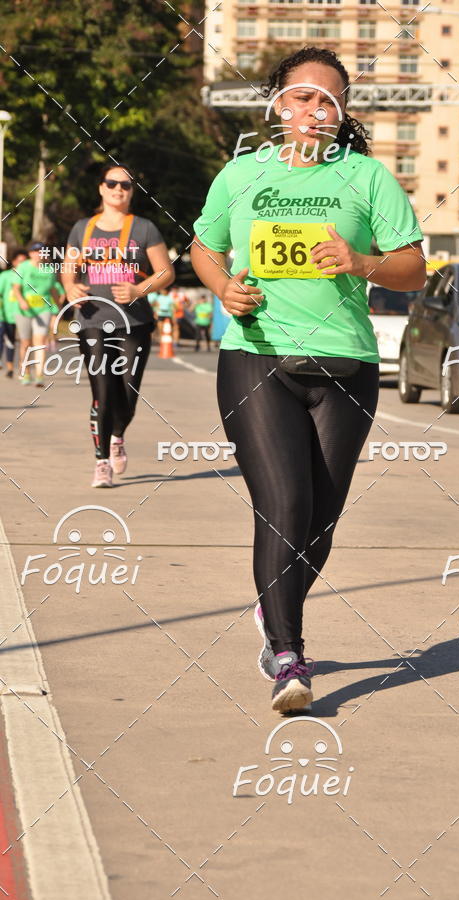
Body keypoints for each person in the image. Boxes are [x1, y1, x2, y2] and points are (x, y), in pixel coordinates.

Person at [191, 47, 425, 714]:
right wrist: (223, 287)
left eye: (328, 100)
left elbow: (414, 268)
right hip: (256, 358)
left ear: (342, 114)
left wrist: (360, 260)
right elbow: (204, 247)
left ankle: (274, 610)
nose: (314, 110)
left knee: (320, 522)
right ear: (276, 106)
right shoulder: (240, 175)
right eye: (300, 97)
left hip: (347, 363)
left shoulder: (367, 179)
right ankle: (289, 655)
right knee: (286, 503)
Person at [62, 163, 174, 488]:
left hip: (134, 322)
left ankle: (118, 435)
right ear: (101, 188)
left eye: (125, 185)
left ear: (131, 191)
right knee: (102, 390)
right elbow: (69, 270)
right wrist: (70, 288)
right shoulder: (83, 229)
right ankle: (101, 462)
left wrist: (139, 290)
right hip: (92, 320)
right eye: (112, 183)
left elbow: (164, 272)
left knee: (127, 390)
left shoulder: (145, 228)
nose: (118, 189)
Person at [13, 241, 62, 387]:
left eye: (41, 251)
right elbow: (16, 288)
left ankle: (39, 375)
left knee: (39, 342)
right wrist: (21, 300)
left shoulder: (49, 269)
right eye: (35, 251)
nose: (38, 254)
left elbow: (53, 290)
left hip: (43, 309)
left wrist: (59, 308)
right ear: (30, 253)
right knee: (26, 343)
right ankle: (26, 371)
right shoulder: (23, 267)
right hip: (25, 309)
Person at [0, 248, 27, 379]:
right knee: (1, 339)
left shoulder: (28, 277)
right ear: (14, 262)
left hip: (20, 315)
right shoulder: (5, 276)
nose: (22, 264)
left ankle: (11, 367)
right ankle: (6, 366)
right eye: (19, 261)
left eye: (24, 261)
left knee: (11, 342)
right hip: (3, 315)